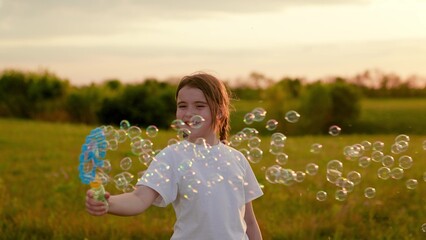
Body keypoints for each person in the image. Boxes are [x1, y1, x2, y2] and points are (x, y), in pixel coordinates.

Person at [85, 72, 264, 240]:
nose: (188, 113)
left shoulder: (237, 159)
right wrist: (108, 204)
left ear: (220, 111)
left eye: (199, 106)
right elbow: (139, 198)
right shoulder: (172, 156)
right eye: (182, 106)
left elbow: (249, 222)